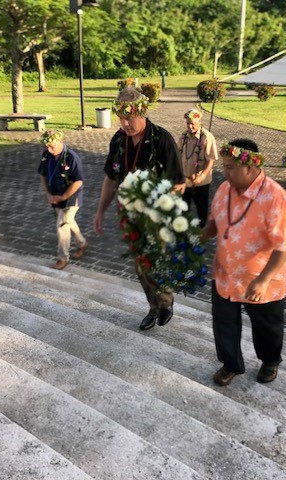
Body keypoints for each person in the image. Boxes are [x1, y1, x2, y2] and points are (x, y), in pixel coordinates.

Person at [202, 139, 286, 386]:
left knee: (267, 327)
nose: (226, 173)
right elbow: (214, 224)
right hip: (225, 274)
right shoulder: (224, 189)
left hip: (261, 280)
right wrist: (194, 234)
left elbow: (283, 246)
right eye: (224, 166)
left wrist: (263, 280)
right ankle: (230, 363)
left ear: (251, 166)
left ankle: (270, 361)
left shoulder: (276, 197)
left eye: (231, 167)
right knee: (223, 323)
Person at [93, 87, 185, 331]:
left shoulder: (162, 140)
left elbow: (179, 185)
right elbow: (111, 178)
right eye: (120, 118)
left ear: (142, 112)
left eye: (129, 118)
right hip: (130, 214)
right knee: (140, 265)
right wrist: (101, 211)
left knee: (153, 261)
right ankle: (153, 308)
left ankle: (165, 302)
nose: (124, 123)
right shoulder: (118, 140)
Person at [38, 129, 88, 270]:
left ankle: (63, 258)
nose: (49, 149)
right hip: (55, 195)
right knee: (68, 221)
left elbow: (78, 182)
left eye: (52, 146)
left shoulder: (72, 157)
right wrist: (48, 194)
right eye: (47, 146)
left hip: (71, 197)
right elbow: (42, 174)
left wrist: (63, 197)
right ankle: (82, 243)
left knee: (62, 225)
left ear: (60, 141)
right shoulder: (46, 155)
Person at [177, 108, 217, 225]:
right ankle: (184, 235)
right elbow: (178, 153)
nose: (190, 127)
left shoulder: (207, 137)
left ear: (199, 122)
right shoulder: (184, 136)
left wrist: (203, 175)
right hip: (185, 180)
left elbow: (211, 160)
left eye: (192, 124)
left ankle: (201, 235)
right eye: (188, 124)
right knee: (183, 210)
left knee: (201, 211)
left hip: (201, 182)